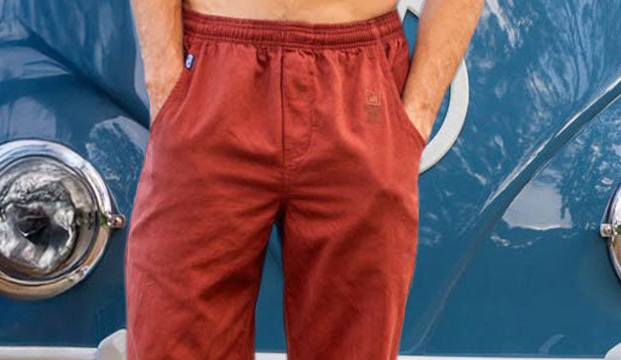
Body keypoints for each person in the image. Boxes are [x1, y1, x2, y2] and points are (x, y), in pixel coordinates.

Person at [122, 0, 481, 358]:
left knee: (353, 345)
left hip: (358, 82)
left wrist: (419, 111)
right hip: (213, 75)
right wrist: (162, 79)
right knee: (173, 338)